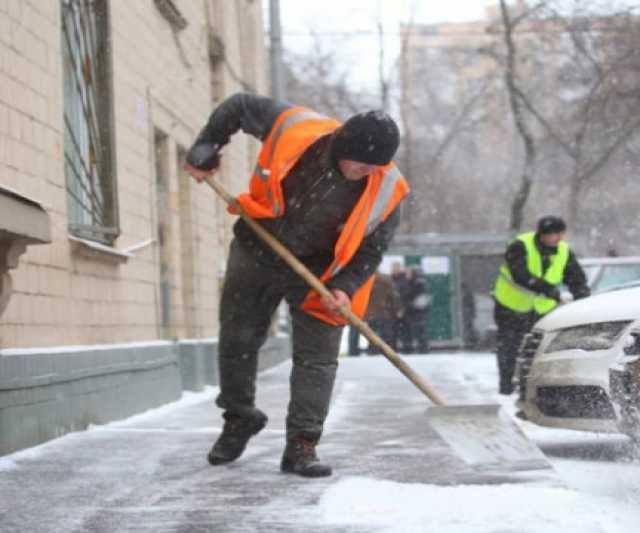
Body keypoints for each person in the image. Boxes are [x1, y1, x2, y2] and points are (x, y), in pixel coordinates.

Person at [184, 93, 409, 477]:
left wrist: (345, 285)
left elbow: (372, 249)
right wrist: (208, 145)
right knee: (238, 338)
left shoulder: (388, 188)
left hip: (322, 273)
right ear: (341, 145)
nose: (362, 172)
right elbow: (238, 107)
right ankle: (240, 417)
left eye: (372, 167)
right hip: (259, 243)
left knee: (318, 359)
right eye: (358, 163)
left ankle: (302, 445)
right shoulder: (296, 129)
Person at [492, 215, 590, 395]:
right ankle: (506, 387)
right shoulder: (520, 246)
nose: (559, 239)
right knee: (509, 347)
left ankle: (530, 388)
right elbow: (521, 275)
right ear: (543, 234)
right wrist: (549, 290)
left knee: (538, 349)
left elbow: (576, 278)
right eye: (555, 234)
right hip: (510, 306)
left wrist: (582, 299)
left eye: (561, 234)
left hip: (541, 310)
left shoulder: (563, 251)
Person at [363, 270, 400, 354]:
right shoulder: (386, 279)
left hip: (371, 312)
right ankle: (387, 350)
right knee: (386, 333)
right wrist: (396, 308)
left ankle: (372, 350)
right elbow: (393, 295)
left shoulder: (367, 279)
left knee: (372, 333)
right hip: (384, 311)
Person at [404, 266, 432, 353]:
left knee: (420, 330)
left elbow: (422, 299)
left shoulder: (418, 283)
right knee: (417, 330)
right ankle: (421, 348)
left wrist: (410, 305)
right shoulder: (413, 283)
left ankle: (423, 348)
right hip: (415, 311)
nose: (406, 275)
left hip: (418, 311)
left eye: (408, 273)